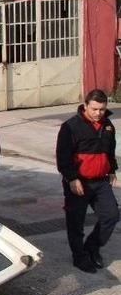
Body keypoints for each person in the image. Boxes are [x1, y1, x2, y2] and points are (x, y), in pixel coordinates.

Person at [56, 89, 120, 273]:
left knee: (111, 215)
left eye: (102, 109)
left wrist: (111, 169)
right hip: (79, 182)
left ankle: (92, 247)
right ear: (85, 106)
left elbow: (109, 149)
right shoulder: (70, 127)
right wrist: (72, 178)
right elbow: (63, 157)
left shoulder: (108, 126)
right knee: (76, 222)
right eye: (94, 109)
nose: (98, 113)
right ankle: (79, 257)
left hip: (101, 182)